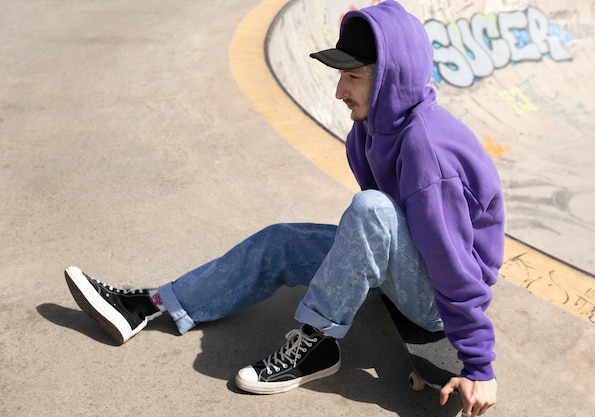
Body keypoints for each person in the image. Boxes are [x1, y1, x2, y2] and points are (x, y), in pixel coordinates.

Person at [64, 1, 503, 415]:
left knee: (371, 210)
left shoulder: (427, 150)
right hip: (407, 262)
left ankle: (317, 344)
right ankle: (150, 305)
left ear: (387, 78)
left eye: (351, 77)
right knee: (282, 241)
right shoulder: (368, 130)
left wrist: (478, 366)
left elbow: (451, 261)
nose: (338, 91)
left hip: (435, 298)